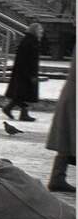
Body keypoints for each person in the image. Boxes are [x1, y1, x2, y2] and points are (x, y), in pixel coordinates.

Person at [46, 51, 76, 192]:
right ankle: (57, 178)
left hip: (71, 93)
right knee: (69, 136)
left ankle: (57, 177)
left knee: (67, 137)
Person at [2, 23, 44, 122]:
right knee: (24, 94)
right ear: (35, 31)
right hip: (25, 73)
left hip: (23, 72)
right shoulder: (30, 42)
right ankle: (20, 113)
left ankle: (11, 109)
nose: (41, 33)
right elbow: (28, 60)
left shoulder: (30, 41)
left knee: (22, 94)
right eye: (40, 30)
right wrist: (31, 74)